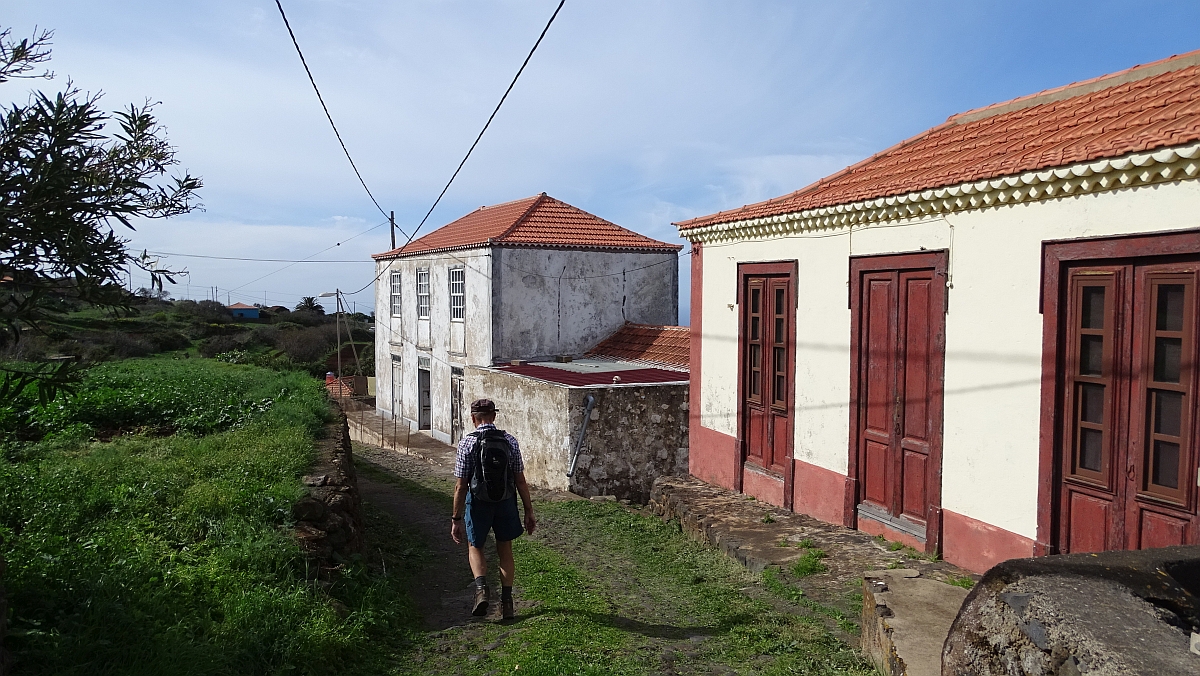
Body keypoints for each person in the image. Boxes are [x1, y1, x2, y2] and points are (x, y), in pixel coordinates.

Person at [450, 398, 536, 619]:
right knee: (504, 548)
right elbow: (520, 480)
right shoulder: (510, 441)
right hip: (505, 501)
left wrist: (456, 518)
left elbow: (461, 485)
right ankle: (507, 603)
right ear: (494, 416)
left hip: (478, 502)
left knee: (475, 545)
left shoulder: (467, 443)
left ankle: (481, 591)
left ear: (473, 418)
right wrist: (528, 510)